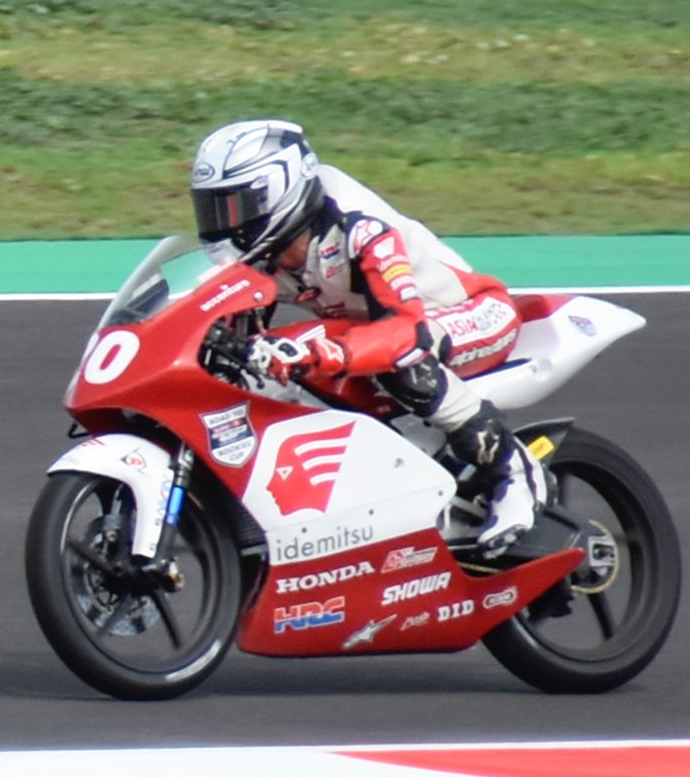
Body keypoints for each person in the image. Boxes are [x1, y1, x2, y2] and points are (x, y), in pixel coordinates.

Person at [186, 119, 543, 557]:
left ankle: (513, 468)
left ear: (277, 191)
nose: (223, 225)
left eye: (234, 209)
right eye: (213, 211)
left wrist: (330, 352)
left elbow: (402, 329)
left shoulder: (358, 228)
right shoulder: (262, 256)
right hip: (372, 328)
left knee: (404, 361)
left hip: (464, 314)